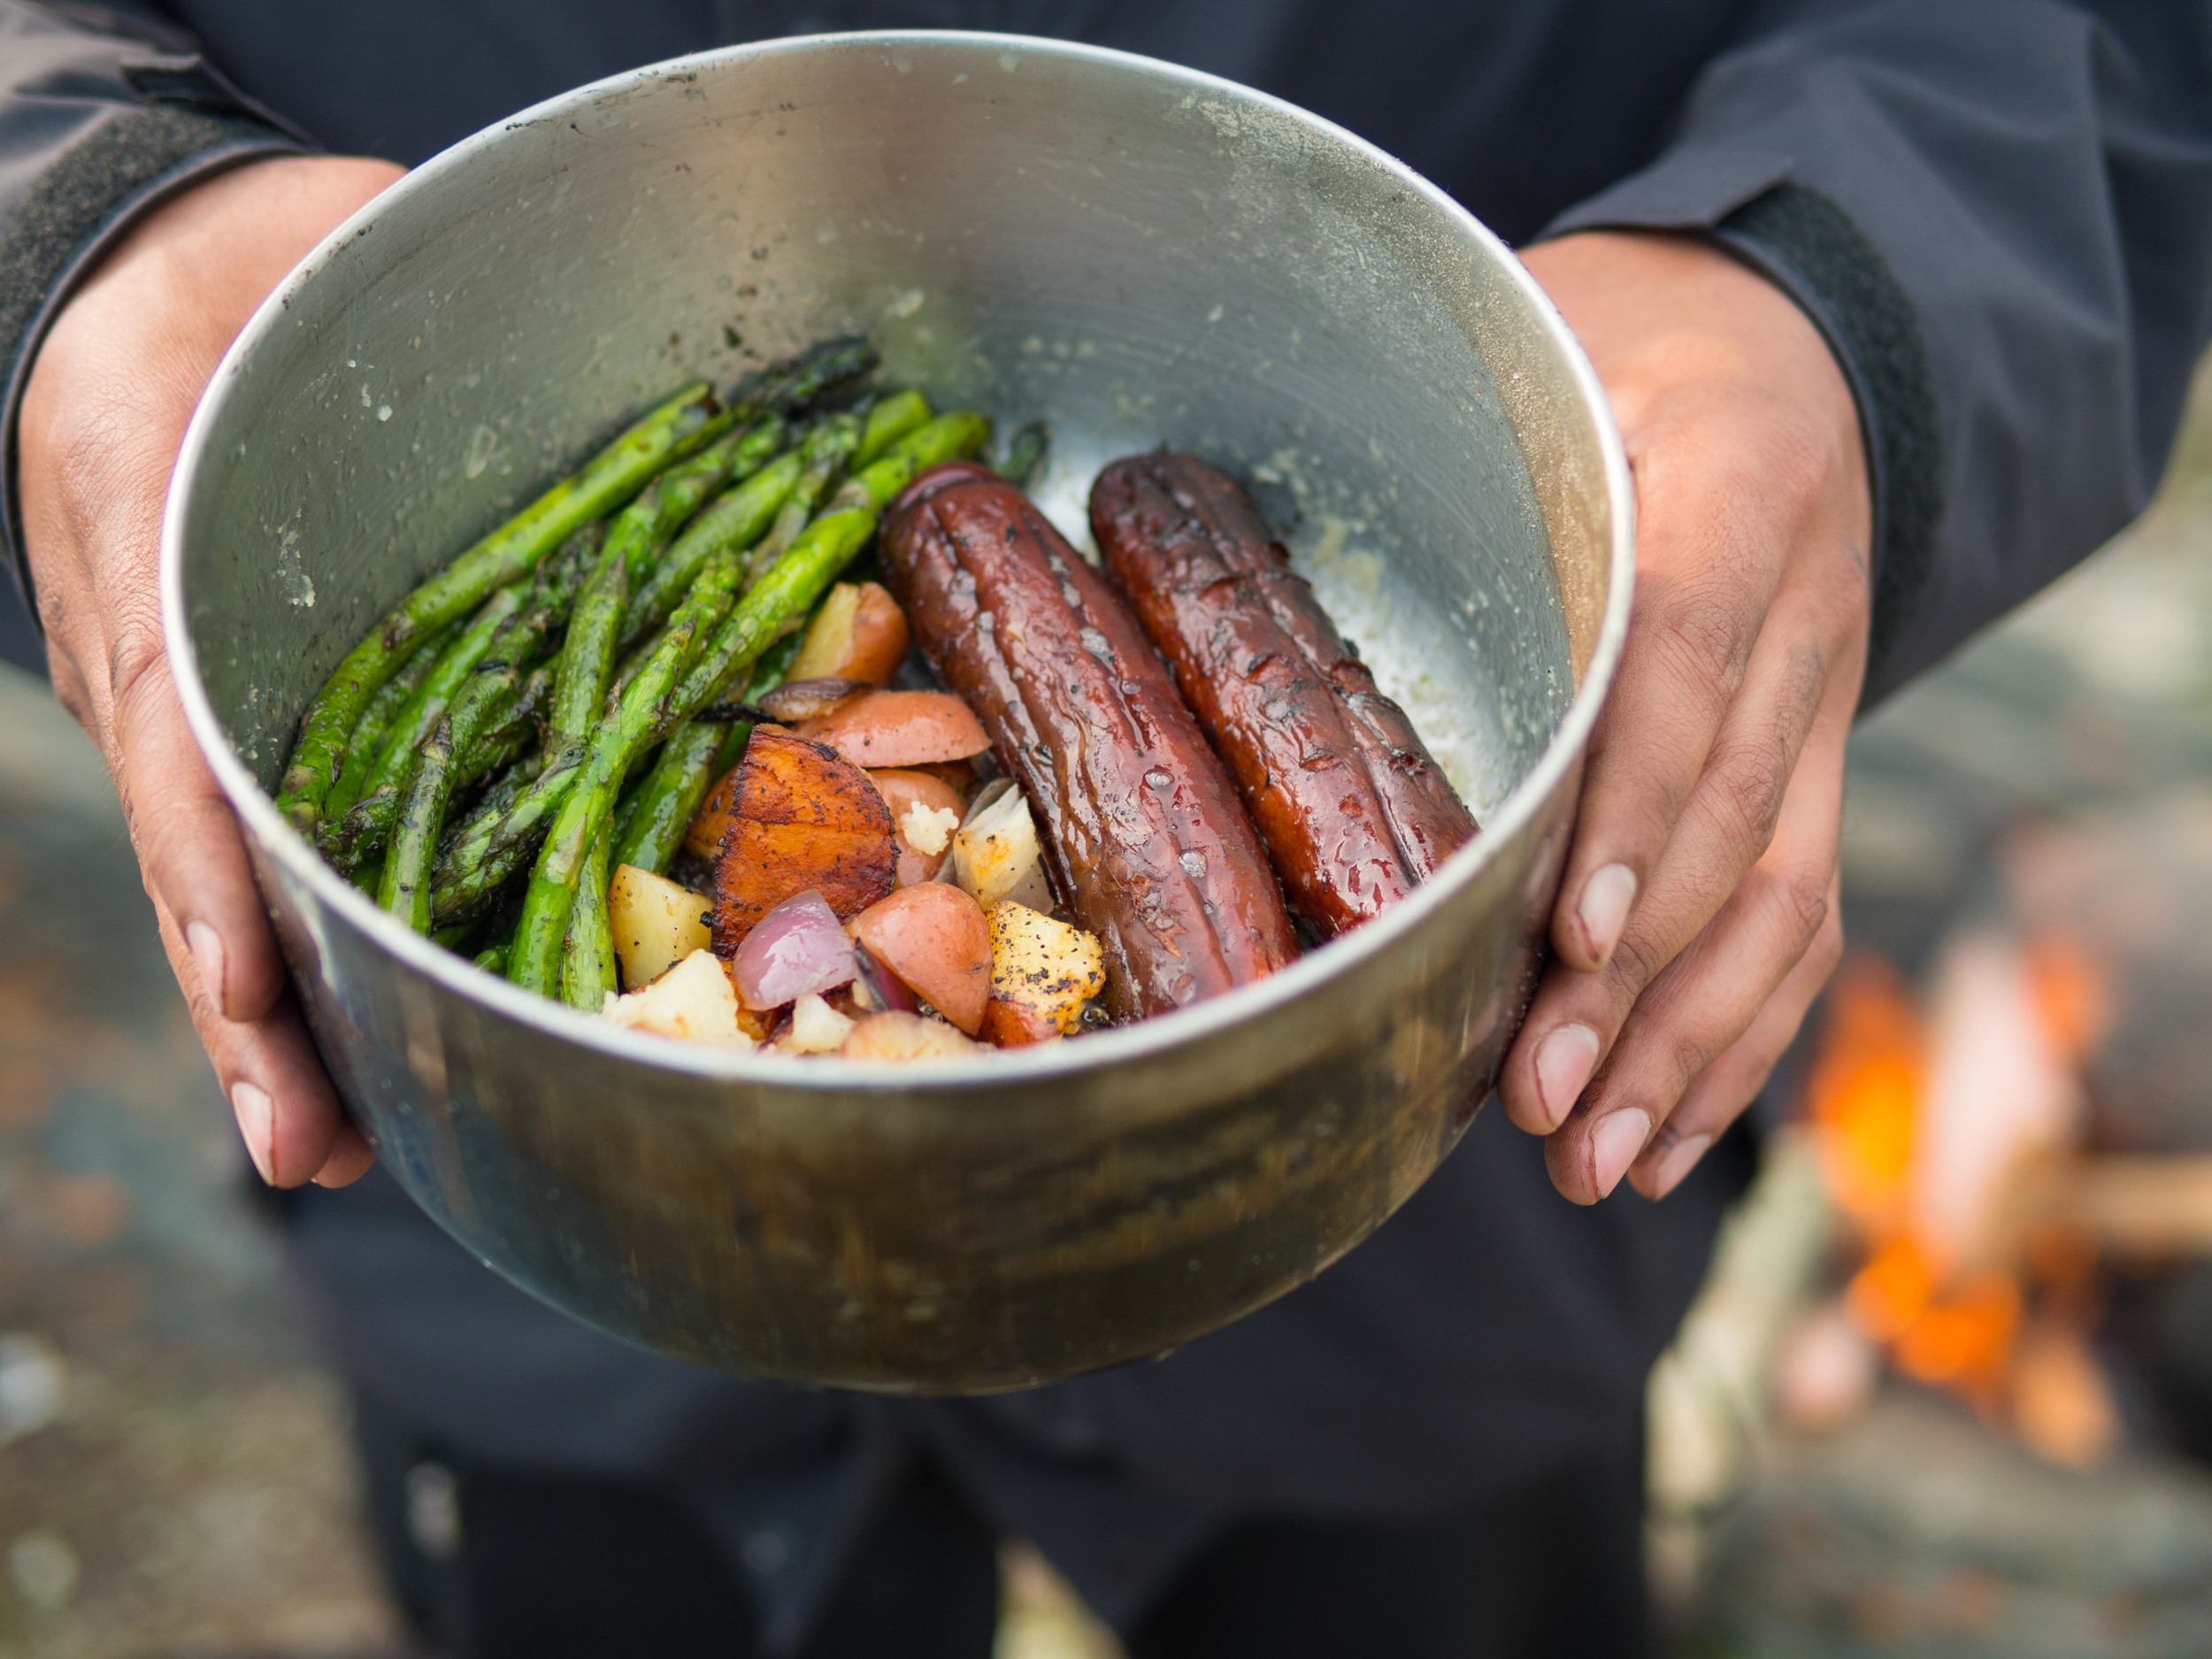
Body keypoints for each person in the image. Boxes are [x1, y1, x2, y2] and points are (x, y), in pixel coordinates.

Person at [4, 2, 2208, 1653]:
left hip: (1429, 1169)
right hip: (531, 1205)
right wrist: (74, 211)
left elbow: (2066, 55)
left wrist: (1836, 292)